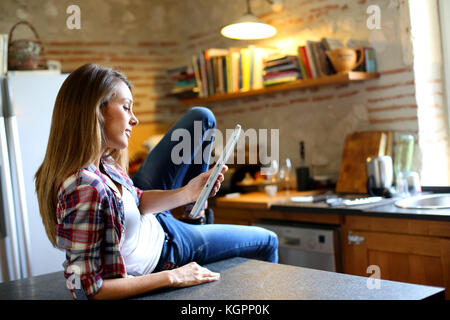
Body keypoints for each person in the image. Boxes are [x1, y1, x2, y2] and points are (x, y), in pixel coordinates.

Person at [35, 63, 278, 300]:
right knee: (268, 241)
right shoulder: (85, 189)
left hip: (151, 220)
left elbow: (138, 200)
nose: (134, 119)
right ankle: (197, 221)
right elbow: (87, 289)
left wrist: (189, 192)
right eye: (126, 107)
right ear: (97, 110)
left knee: (201, 118)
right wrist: (174, 276)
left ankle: (196, 211)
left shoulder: (103, 164)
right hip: (167, 248)